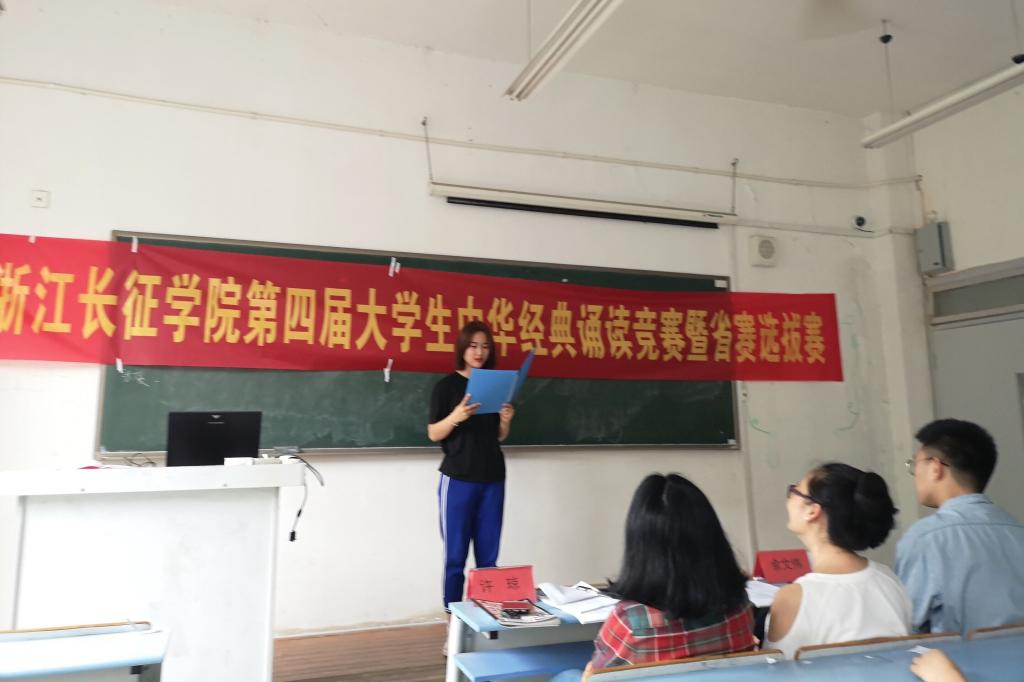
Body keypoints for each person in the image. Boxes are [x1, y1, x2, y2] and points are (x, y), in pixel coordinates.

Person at [553, 473, 756, 681]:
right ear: (713, 537)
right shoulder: (739, 603)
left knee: (567, 676)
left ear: (640, 547)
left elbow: (597, 676)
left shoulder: (630, 623)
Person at [765, 463, 911, 658]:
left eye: (795, 490)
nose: (789, 497)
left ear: (812, 511)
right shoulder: (890, 580)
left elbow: (774, 667)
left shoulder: (793, 598)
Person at [896, 419, 1024, 634]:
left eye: (914, 464)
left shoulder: (925, 539)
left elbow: (908, 632)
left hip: (961, 656)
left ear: (935, 467)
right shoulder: (1017, 531)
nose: (915, 473)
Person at [428, 321, 515, 611]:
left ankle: (486, 618)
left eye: (485, 346)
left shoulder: (494, 385)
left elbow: (497, 435)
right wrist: (456, 417)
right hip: (458, 478)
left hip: (493, 477)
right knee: (455, 558)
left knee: (488, 558)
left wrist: (505, 421)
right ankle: (452, 622)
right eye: (474, 345)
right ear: (462, 348)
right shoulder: (446, 387)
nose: (479, 352)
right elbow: (433, 433)